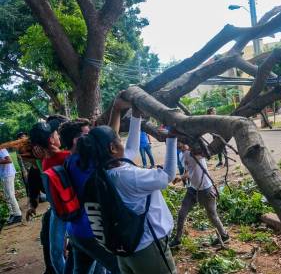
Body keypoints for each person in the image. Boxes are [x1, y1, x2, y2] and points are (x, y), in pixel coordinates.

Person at [77, 102, 178, 274]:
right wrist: (172, 138)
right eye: (119, 139)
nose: (123, 143)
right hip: (148, 246)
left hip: (126, 248)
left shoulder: (103, 173)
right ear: (113, 148)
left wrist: (136, 117)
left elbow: (131, 148)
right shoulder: (129, 176)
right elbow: (168, 175)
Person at [57, 118, 120, 274]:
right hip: (92, 232)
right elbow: (113, 141)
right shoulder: (84, 163)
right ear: (76, 141)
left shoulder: (70, 161)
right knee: (121, 268)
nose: (92, 138)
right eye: (88, 135)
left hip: (76, 229)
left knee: (80, 270)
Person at [29, 119, 71, 274]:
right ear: (51, 139)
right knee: (57, 252)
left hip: (65, 210)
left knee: (56, 252)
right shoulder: (60, 158)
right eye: (56, 134)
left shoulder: (64, 157)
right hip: (61, 210)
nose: (59, 136)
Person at [170, 144, 229, 248]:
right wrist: (182, 177)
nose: (181, 145)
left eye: (183, 143)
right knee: (182, 213)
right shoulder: (180, 155)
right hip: (192, 189)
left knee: (212, 215)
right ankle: (177, 239)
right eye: (178, 143)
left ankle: (224, 235)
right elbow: (189, 170)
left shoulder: (195, 152)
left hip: (206, 189)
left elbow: (206, 153)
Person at [0, 148, 22, 225]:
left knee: (10, 195)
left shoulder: (2, 150)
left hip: (8, 174)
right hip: (4, 175)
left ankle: (17, 214)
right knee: (7, 196)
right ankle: (12, 213)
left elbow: (9, 160)